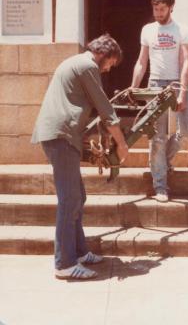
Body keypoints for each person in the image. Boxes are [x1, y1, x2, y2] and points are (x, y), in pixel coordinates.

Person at [31, 34, 128, 280]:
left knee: (77, 196)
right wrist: (122, 142)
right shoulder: (87, 66)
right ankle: (64, 263)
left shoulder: (76, 62)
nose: (108, 70)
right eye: (110, 64)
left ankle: (80, 252)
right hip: (61, 136)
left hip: (62, 135)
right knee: (69, 199)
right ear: (103, 55)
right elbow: (104, 107)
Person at [131, 0, 188, 203]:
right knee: (157, 137)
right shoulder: (147, 30)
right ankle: (160, 185)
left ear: (171, 7)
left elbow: (185, 60)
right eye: (155, 8)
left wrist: (182, 92)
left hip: (178, 83)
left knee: (186, 129)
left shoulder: (182, 30)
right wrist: (134, 87)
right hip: (155, 84)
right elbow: (142, 61)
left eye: (162, 9)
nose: (158, 13)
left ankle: (162, 162)